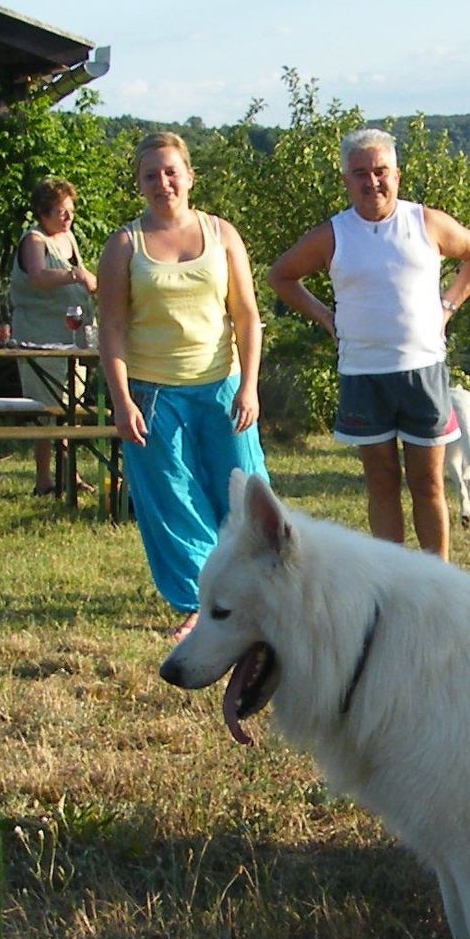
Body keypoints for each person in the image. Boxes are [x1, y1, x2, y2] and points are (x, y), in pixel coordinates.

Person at [268, 128, 470, 560]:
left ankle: (437, 582)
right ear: (346, 181)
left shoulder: (425, 222)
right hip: (362, 373)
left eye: (381, 171)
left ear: (397, 175)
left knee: (427, 482)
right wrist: (324, 317)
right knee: (381, 481)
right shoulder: (334, 234)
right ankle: (392, 580)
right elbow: (281, 276)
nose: (372, 182)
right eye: (360, 174)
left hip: (423, 368)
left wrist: (448, 305)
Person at [97, 132, 269, 637]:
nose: (163, 183)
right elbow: (111, 327)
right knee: (175, 501)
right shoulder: (124, 244)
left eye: (171, 171)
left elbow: (248, 316)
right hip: (153, 393)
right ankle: (200, 604)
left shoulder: (223, 234)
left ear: (190, 176)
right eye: (151, 175)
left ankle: (261, 594)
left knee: (243, 492)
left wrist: (250, 386)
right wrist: (122, 399)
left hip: (222, 385)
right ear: (140, 185)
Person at [9, 177, 98, 497]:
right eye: (61, 211)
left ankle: (70, 476)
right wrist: (76, 275)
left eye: (70, 210)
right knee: (47, 407)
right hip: (39, 335)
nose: (68, 217)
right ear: (44, 212)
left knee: (71, 405)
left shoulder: (68, 238)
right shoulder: (34, 240)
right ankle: (45, 479)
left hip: (72, 336)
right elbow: (38, 277)